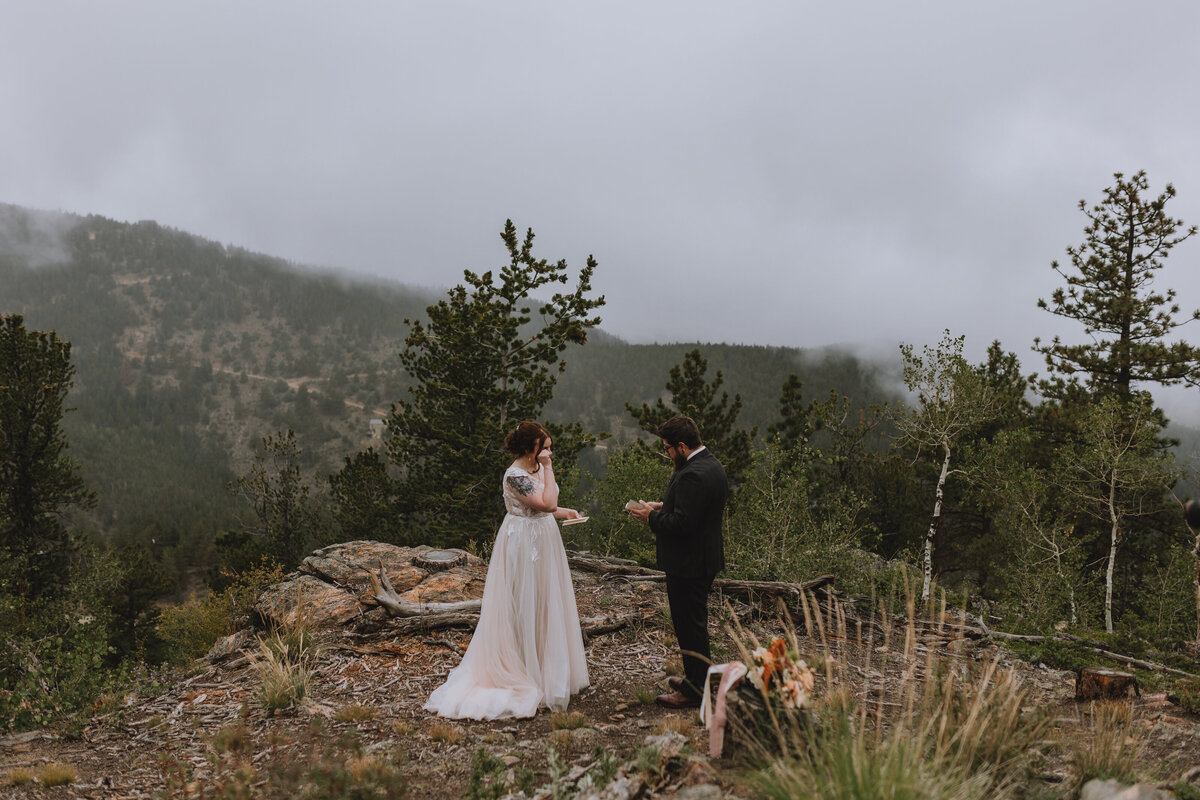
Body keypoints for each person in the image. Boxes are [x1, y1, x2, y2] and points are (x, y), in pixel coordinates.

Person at [424, 421, 589, 719]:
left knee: (543, 603)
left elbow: (548, 507)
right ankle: (522, 671)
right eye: (545, 448)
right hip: (524, 544)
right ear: (529, 449)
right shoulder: (515, 475)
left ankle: (545, 670)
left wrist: (567, 512)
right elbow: (545, 501)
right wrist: (549, 471)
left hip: (543, 538)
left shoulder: (535, 470)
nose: (549, 453)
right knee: (523, 603)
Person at [629, 414, 728, 709]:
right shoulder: (711, 464)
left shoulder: (692, 474)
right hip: (703, 558)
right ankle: (698, 678)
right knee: (694, 624)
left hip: (689, 564)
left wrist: (651, 516)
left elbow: (682, 525)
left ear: (682, 446)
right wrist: (663, 506)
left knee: (690, 627)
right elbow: (694, 510)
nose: (668, 454)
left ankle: (695, 690)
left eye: (669, 449)